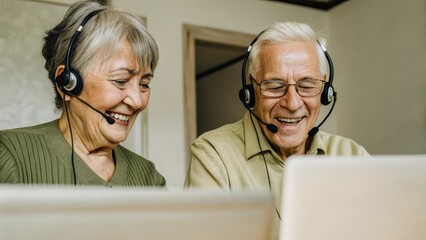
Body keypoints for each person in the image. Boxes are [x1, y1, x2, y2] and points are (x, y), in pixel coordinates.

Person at [184, 22, 369, 239]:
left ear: (325, 91)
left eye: (307, 85)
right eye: (275, 86)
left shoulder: (353, 156)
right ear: (251, 90)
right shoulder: (214, 154)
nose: (292, 103)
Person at [0, 0, 165, 187]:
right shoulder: (10, 155)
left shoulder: (149, 178)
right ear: (67, 83)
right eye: (120, 81)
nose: (137, 101)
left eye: (144, 84)